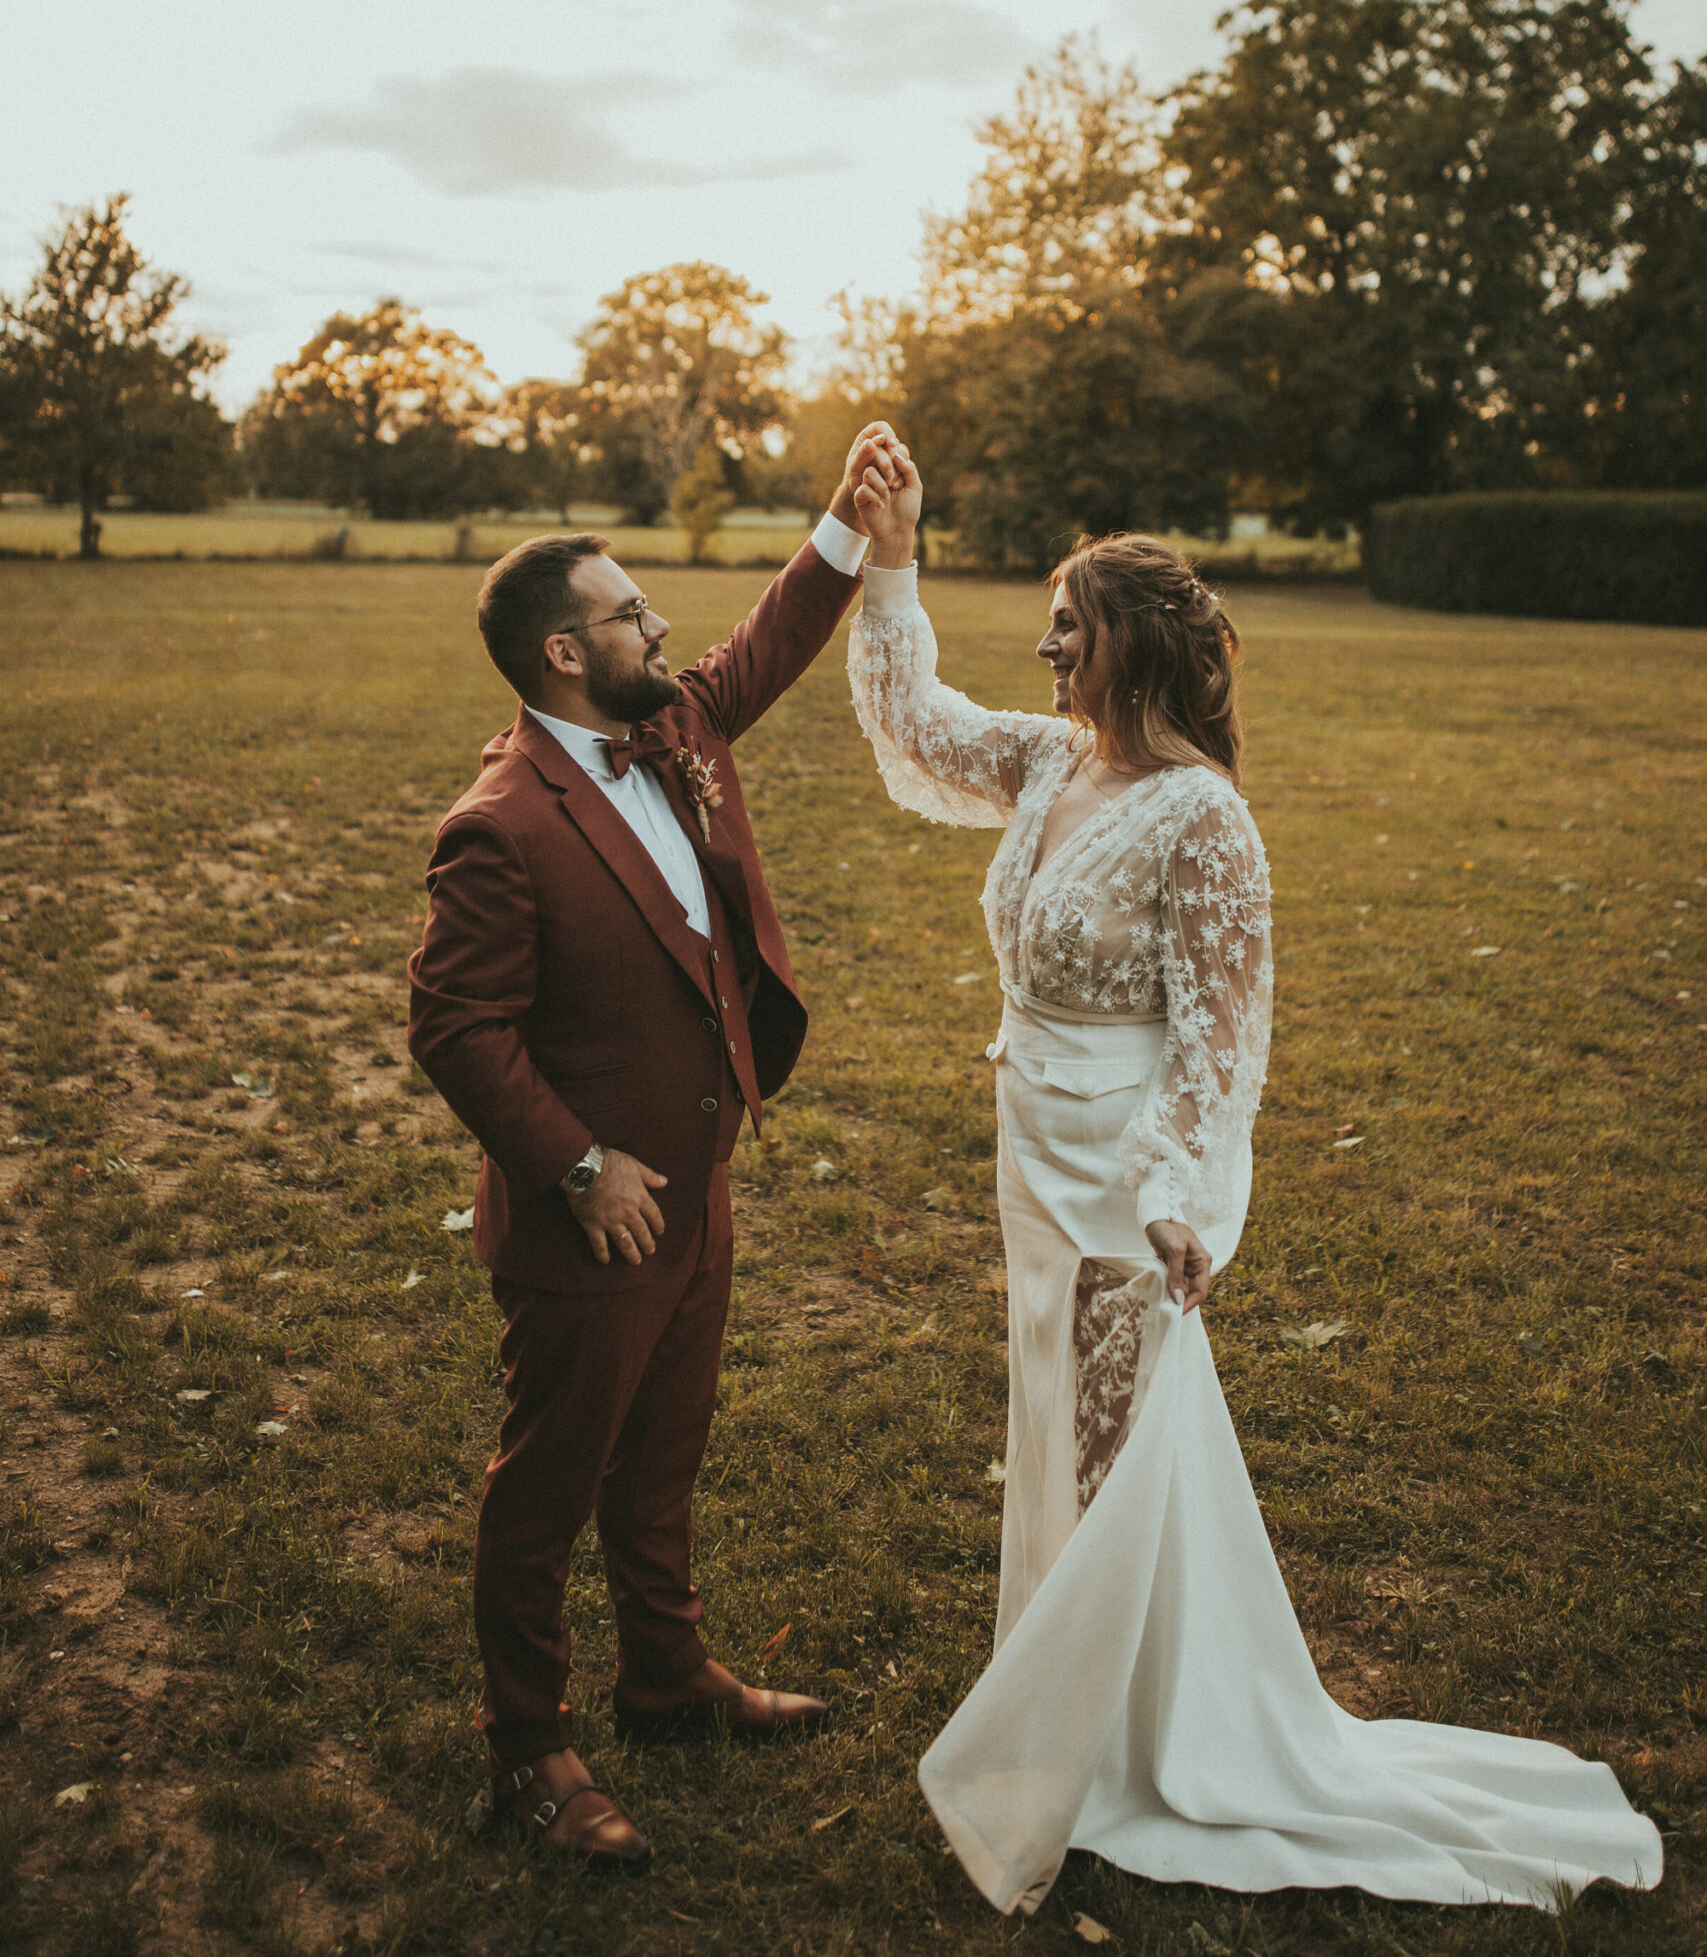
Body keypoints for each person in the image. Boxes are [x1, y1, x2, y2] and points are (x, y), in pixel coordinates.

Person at [845, 449, 1662, 1919]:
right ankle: (1068, 1694)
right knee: (1055, 1414)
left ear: (1133, 641)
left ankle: (1136, 1735)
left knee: (1121, 1437)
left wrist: (1176, 1189)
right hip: (1030, 1150)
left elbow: (1218, 1034)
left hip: (1120, 1170)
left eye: (1068, 626)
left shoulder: (1202, 817)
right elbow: (917, 725)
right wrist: (891, 554)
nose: (1045, 650)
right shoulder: (1048, 760)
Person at [408, 427, 902, 1872]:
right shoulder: (500, 826)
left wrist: (845, 521)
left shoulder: (673, 727)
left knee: (665, 1454)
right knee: (548, 1486)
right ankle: (528, 1751)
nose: (661, 626)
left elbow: (763, 647)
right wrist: (578, 1167)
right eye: (631, 612)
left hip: (699, 1184)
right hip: (596, 1217)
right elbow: (455, 1027)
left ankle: (668, 1678)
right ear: (565, 654)